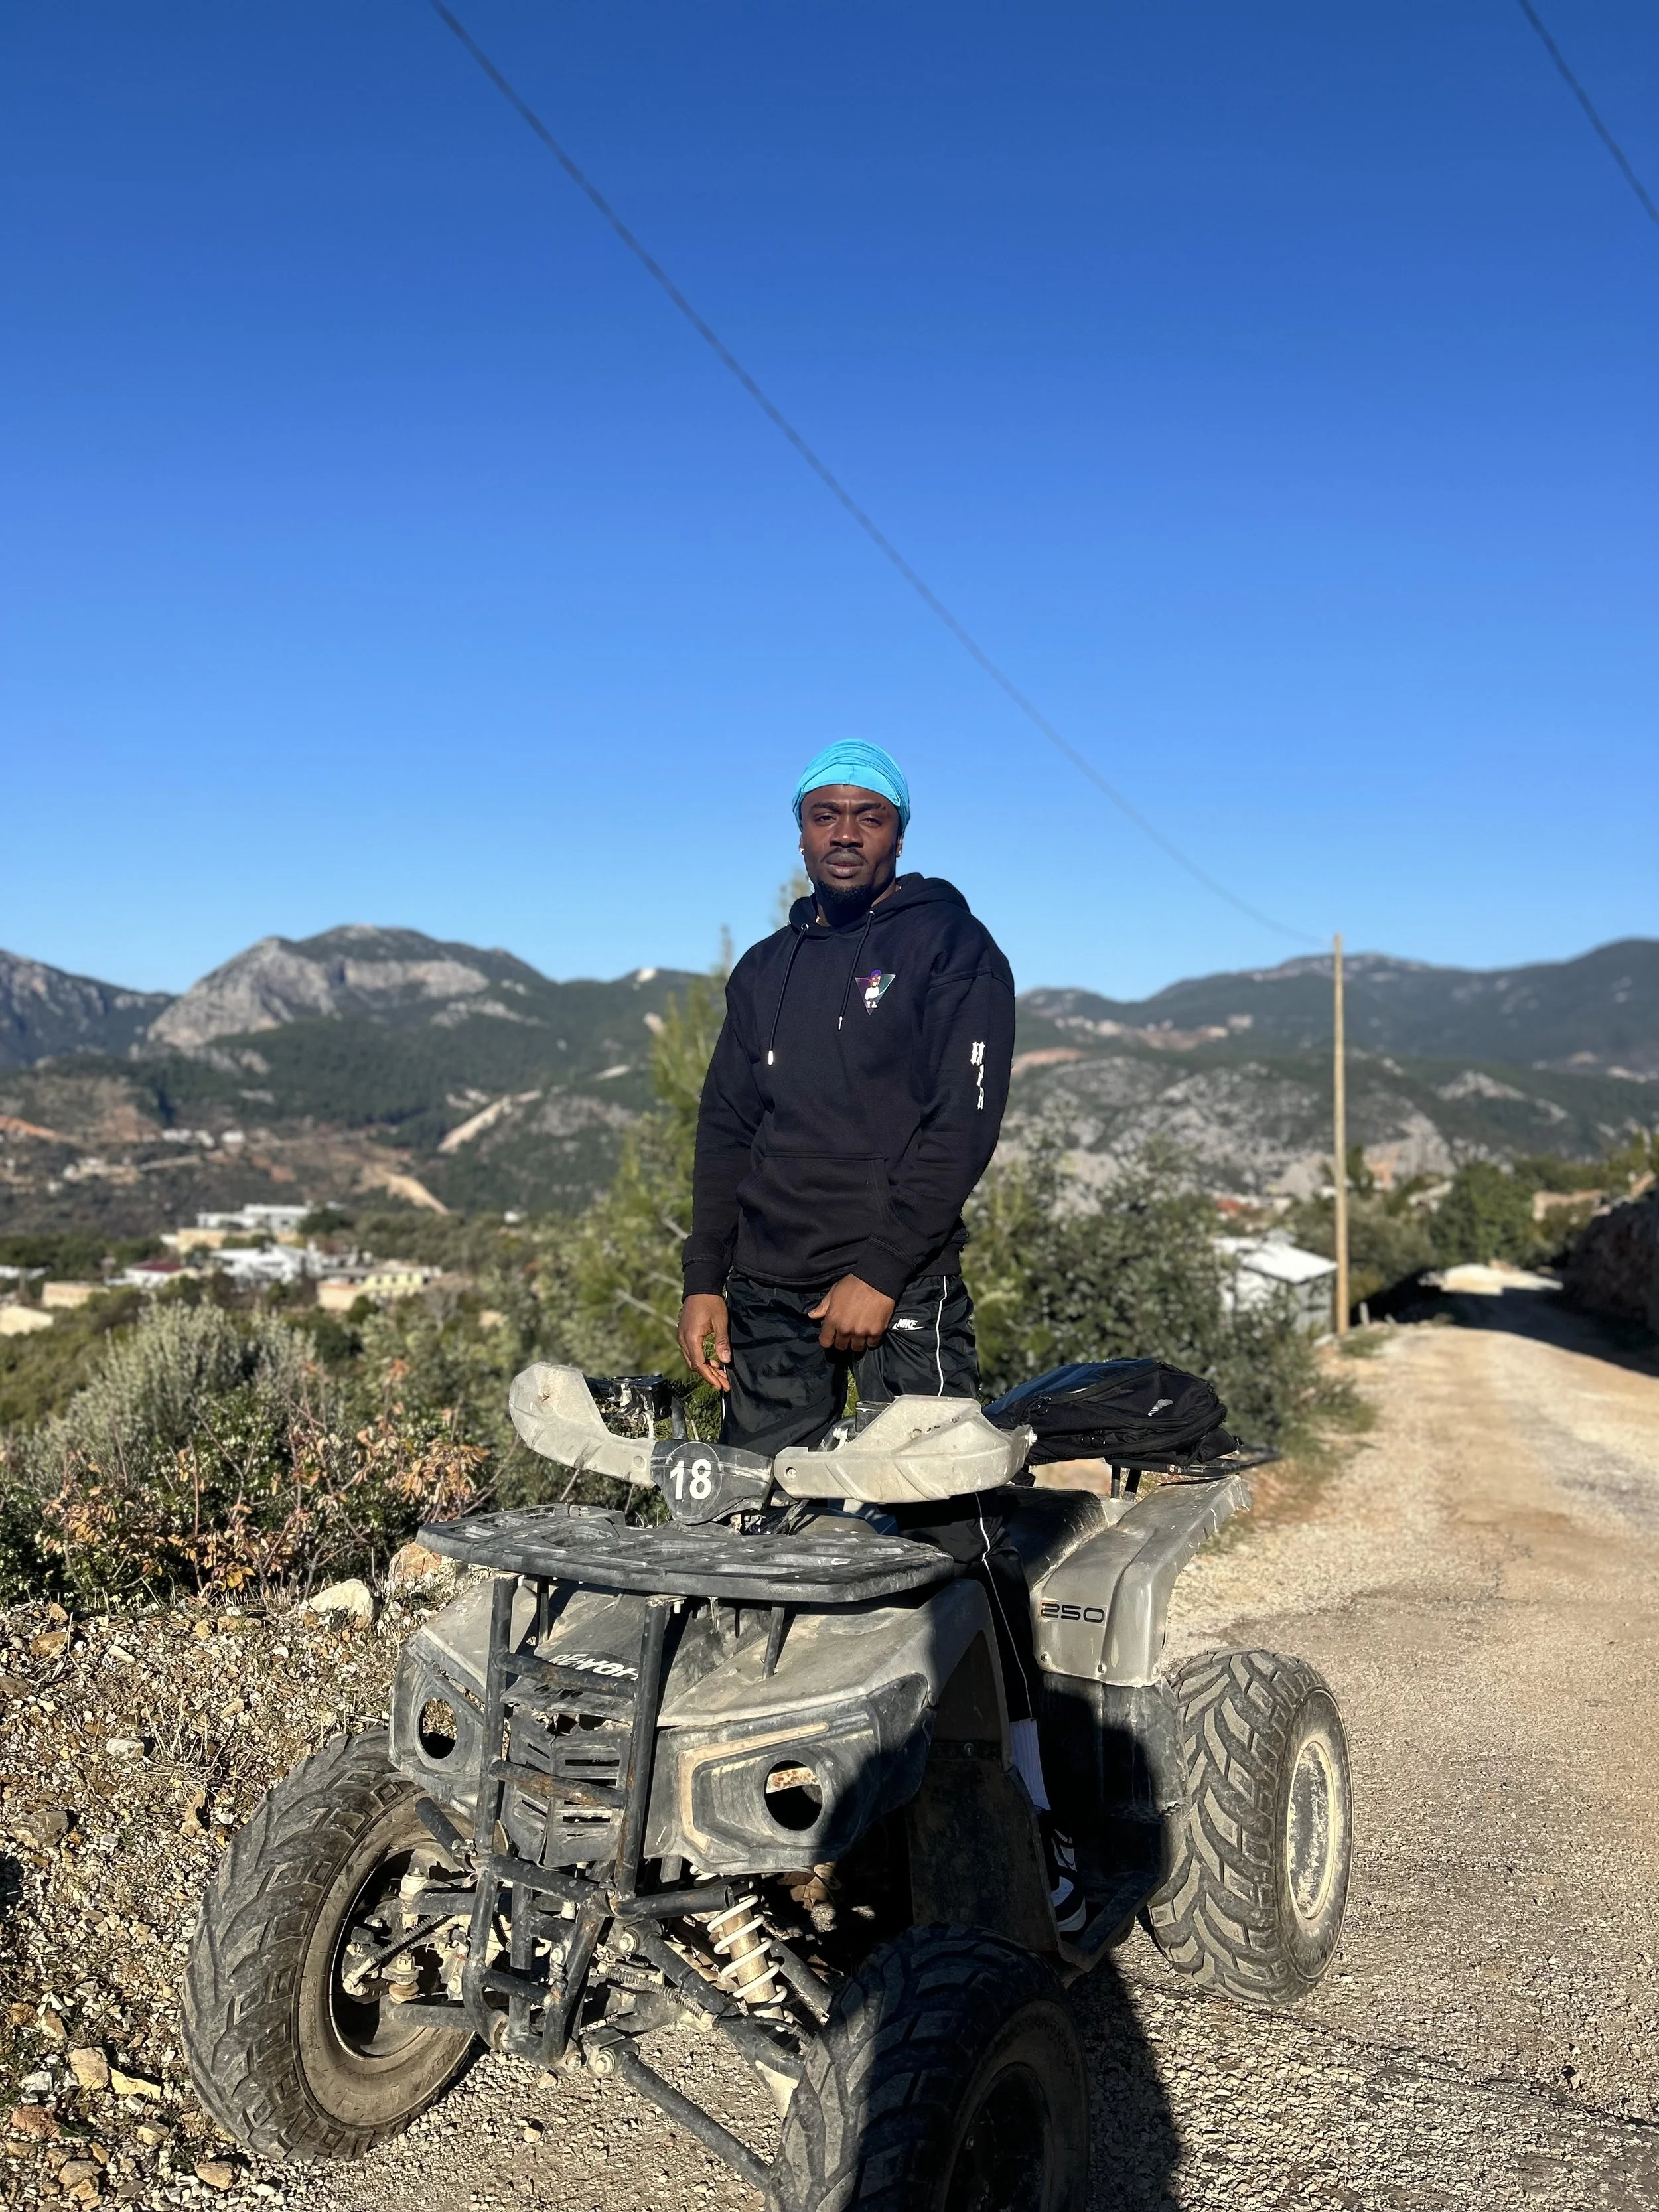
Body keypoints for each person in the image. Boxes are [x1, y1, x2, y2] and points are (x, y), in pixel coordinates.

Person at [675, 739, 1084, 1931]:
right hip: (764, 1294)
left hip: (899, 1291)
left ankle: (1029, 1803)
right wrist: (707, 1278)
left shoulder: (952, 948)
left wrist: (879, 1272)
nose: (845, 832)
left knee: (954, 1532)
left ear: (900, 833)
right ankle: (766, 1810)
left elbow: (962, 1132)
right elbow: (722, 1131)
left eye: (868, 814)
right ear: (797, 832)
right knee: (759, 1528)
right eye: (823, 814)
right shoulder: (767, 970)